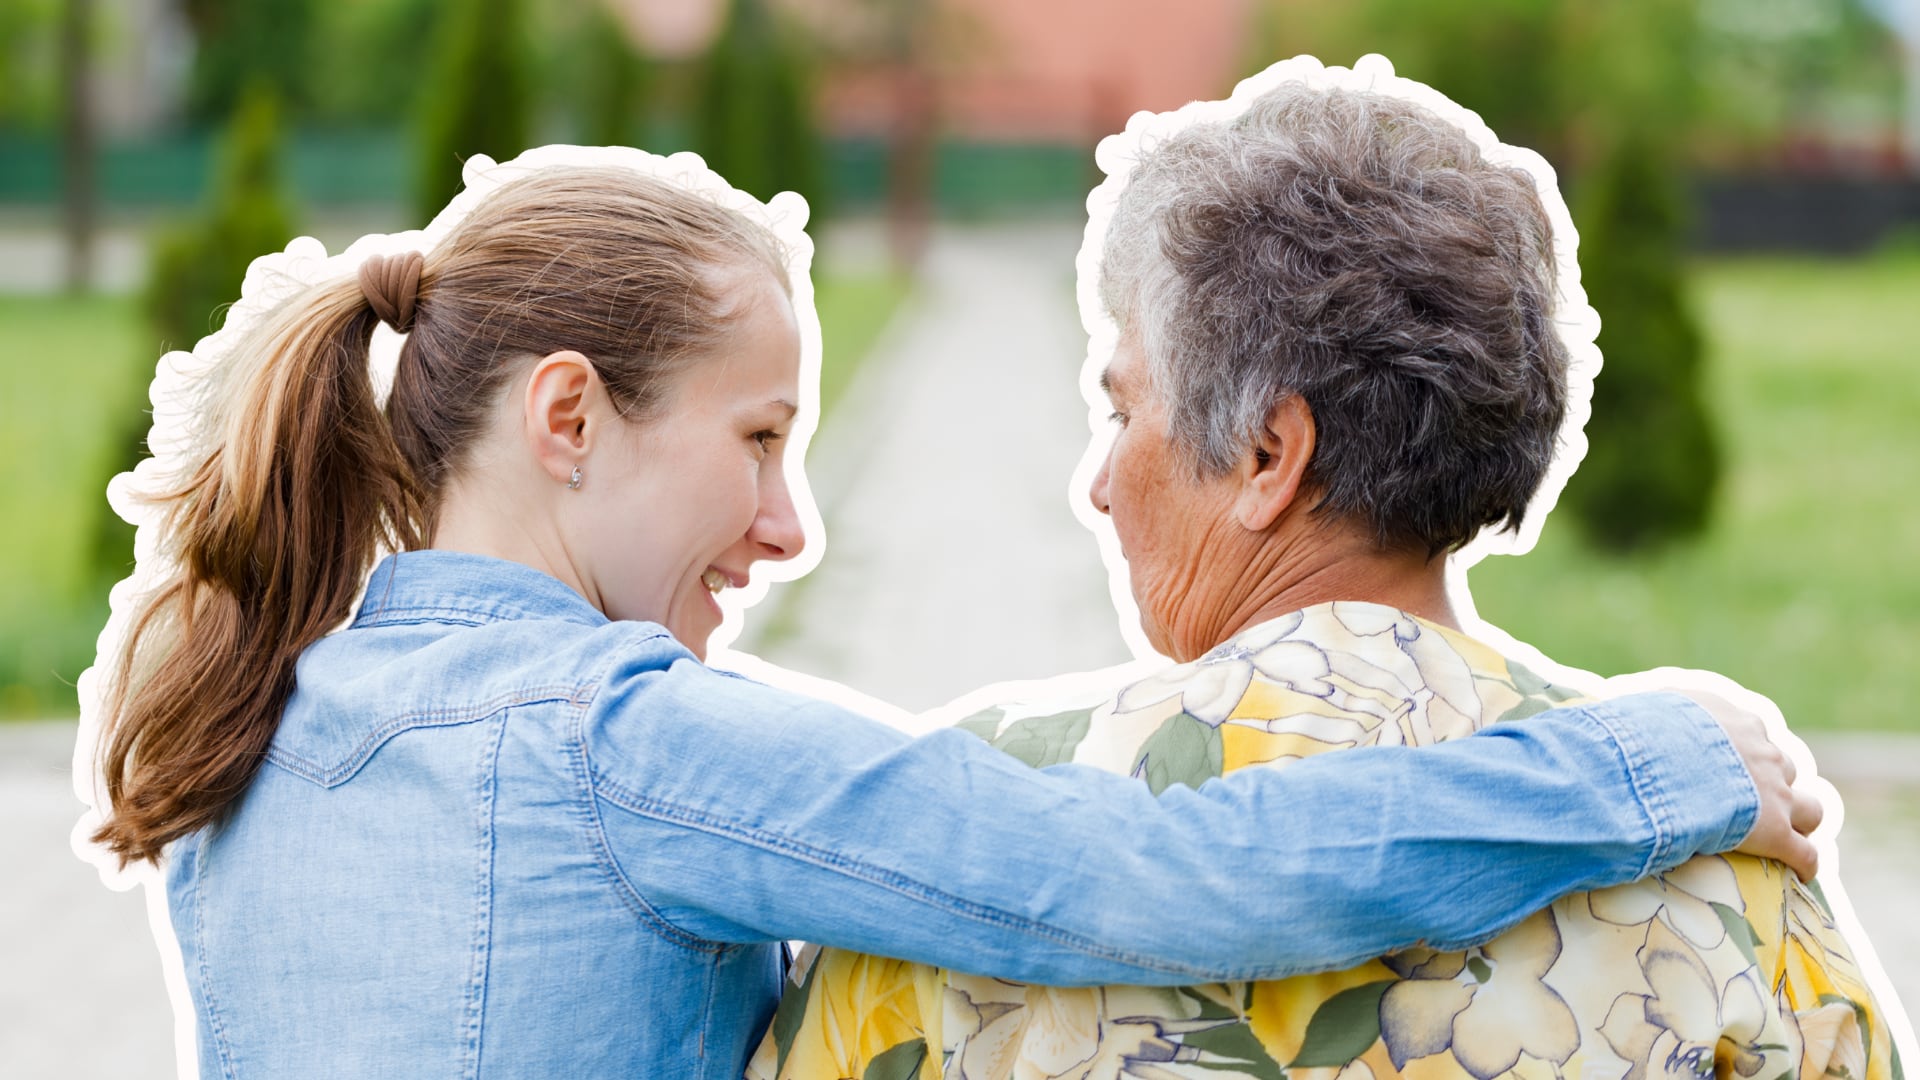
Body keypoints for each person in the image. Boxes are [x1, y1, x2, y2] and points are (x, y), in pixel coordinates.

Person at [84, 147, 1816, 1080]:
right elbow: (1151, 881)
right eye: (757, 441)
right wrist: (1653, 764)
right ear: (566, 417)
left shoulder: (246, 729)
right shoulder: (625, 744)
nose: (787, 525)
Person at [750, 65, 1893, 1080]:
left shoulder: (969, 845)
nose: (1098, 484)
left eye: (1122, 407)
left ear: (1265, 455)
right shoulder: (1739, 874)